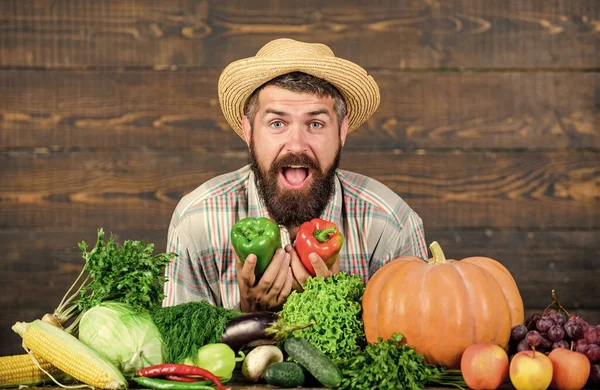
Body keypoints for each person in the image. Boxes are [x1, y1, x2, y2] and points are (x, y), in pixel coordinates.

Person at [163, 38, 427, 313]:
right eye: (277, 123)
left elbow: (417, 347)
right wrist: (249, 317)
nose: (297, 144)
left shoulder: (391, 226)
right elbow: (178, 351)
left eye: (315, 123)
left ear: (342, 131)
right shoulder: (196, 221)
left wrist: (338, 309)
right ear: (249, 130)